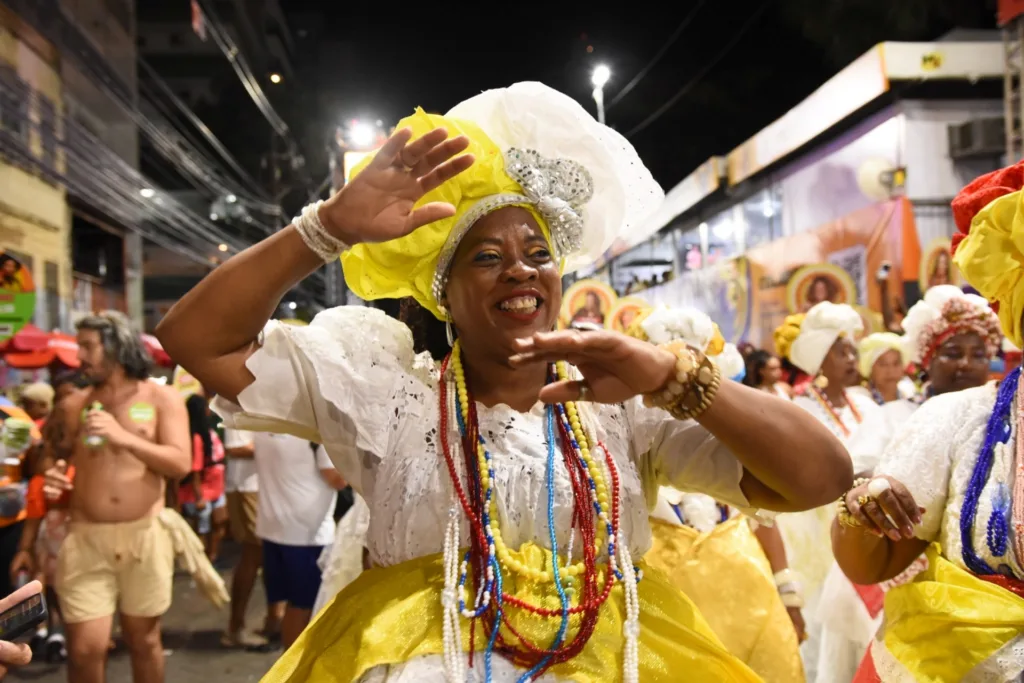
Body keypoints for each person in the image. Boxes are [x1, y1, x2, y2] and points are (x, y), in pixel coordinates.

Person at [156, 82, 851, 682]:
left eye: (539, 253)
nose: (520, 269)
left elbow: (821, 478)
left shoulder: (621, 402)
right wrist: (327, 228)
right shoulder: (386, 396)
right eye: (486, 256)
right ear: (443, 296)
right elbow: (194, 338)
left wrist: (676, 377)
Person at [831, 160, 1024, 681]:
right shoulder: (957, 417)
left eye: (973, 351)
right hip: (953, 658)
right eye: (951, 352)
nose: (963, 363)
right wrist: (861, 508)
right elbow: (872, 560)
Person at [41, 311, 190, 683]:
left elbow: (180, 463)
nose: (79, 357)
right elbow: (52, 455)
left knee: (144, 641)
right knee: (84, 650)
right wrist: (53, 477)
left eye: (88, 346)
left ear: (117, 345)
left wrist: (124, 438)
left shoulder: (162, 398)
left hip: (144, 536)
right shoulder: (74, 404)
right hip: (86, 540)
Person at [773, 301, 882, 682]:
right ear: (820, 359)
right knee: (824, 613)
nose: (852, 359)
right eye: (841, 352)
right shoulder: (800, 407)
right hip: (816, 529)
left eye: (853, 350)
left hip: (867, 520)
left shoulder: (866, 404)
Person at [251, 432, 345, 648]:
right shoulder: (316, 428)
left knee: (293, 605)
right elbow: (336, 478)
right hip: (307, 535)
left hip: (273, 526)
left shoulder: (264, 420)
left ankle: (289, 668)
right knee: (306, 608)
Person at [221, 427, 270, 648]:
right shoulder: (236, 401)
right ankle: (236, 627)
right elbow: (235, 447)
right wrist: (279, 446)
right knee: (254, 553)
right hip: (246, 486)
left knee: (268, 553)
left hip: (265, 485)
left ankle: (273, 619)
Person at [180, 391, 228, 563]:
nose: (209, 409)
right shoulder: (196, 437)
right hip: (201, 492)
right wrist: (199, 497)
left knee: (219, 524)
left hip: (217, 487)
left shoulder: (208, 431)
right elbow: (195, 470)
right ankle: (201, 562)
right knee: (202, 529)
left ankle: (211, 557)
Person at [854, 333, 912, 405]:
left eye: (896, 364)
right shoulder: (858, 401)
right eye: (883, 365)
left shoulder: (910, 395)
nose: (891, 371)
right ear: (870, 367)